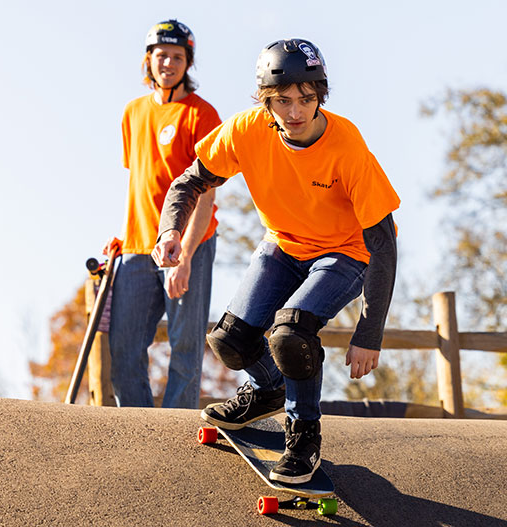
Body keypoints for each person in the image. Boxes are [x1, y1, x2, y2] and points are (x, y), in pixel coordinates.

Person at [151, 38, 400, 484]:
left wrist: (370, 331)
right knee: (230, 340)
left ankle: (303, 433)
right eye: (282, 101)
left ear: (320, 95)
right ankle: (270, 388)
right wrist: (170, 230)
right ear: (266, 102)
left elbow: (383, 245)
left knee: (290, 334)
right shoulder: (246, 130)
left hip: (345, 251)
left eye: (306, 99)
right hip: (283, 245)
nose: (295, 112)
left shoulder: (348, 147)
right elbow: (188, 183)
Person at [104, 20, 221, 408]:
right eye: (161, 55)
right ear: (148, 61)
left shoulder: (203, 115)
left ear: (188, 63)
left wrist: (186, 255)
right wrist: (124, 233)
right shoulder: (132, 113)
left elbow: (205, 196)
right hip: (138, 247)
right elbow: (140, 181)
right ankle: (139, 435)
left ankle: (175, 440)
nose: (168, 62)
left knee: (185, 348)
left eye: (177, 56)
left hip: (191, 245)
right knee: (123, 349)